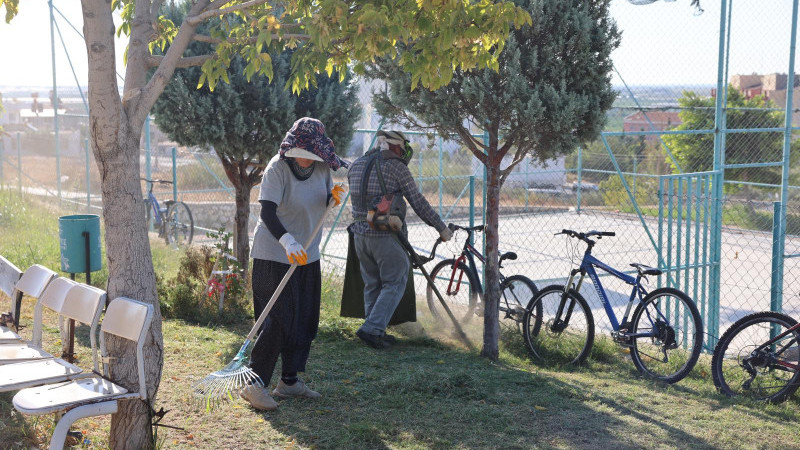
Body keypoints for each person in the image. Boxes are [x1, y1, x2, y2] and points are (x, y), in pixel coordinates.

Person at [240, 117, 348, 411]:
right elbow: (268, 213)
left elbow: (321, 198)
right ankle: (255, 384)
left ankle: (289, 382)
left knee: (303, 319)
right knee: (276, 321)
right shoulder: (277, 168)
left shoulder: (323, 167)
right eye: (305, 153)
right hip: (274, 255)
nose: (308, 160)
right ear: (294, 146)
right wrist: (287, 242)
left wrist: (332, 198)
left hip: (307, 255)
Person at [347, 130, 452, 349]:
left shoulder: (356, 165)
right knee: (395, 280)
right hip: (385, 235)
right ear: (397, 147)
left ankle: (374, 329)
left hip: (359, 235)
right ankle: (372, 329)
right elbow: (418, 202)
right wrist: (441, 228)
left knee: (372, 283)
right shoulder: (397, 168)